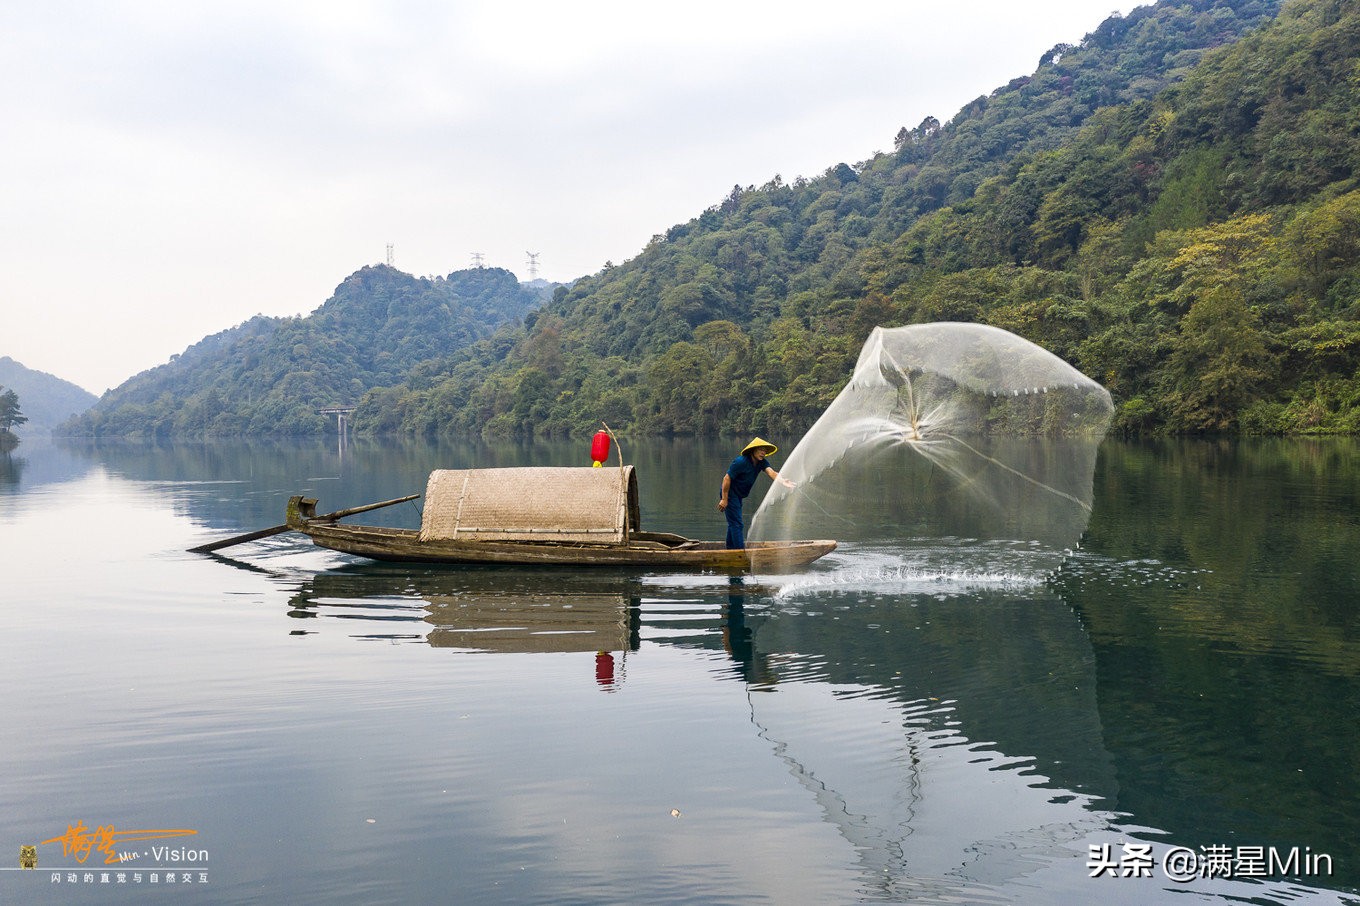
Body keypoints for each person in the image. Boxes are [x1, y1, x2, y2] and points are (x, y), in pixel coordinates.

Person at [717, 437, 795, 549]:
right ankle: (740, 552)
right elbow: (726, 478)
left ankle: (730, 549)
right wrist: (724, 499)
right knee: (737, 524)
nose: (763, 453)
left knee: (733, 522)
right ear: (753, 450)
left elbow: (771, 472)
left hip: (738, 495)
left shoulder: (761, 462)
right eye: (761, 449)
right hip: (730, 494)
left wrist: (782, 481)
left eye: (765, 451)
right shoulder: (741, 462)